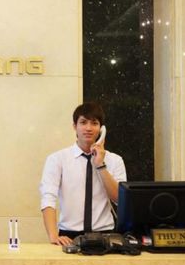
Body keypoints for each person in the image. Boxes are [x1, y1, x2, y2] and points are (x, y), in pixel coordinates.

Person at [40, 102, 126, 246]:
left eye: (94, 123)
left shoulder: (115, 160)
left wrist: (101, 165)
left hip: (106, 234)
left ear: (101, 129)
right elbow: (48, 198)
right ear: (75, 126)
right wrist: (53, 235)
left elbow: (120, 199)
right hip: (69, 235)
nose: (88, 128)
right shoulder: (57, 159)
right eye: (83, 122)